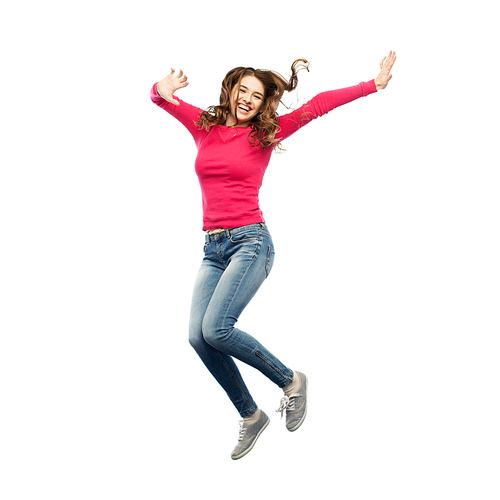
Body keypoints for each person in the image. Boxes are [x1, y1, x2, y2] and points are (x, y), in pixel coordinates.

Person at [150, 51, 397, 460]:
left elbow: (318, 106)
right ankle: (251, 415)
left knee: (217, 329)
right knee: (197, 336)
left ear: (264, 103)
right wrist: (164, 87)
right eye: (242, 90)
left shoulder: (265, 134)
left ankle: (290, 380)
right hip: (213, 249)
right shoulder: (205, 127)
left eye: (256, 95)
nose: (247, 99)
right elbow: (159, 98)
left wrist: (372, 84)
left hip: (251, 242)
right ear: (231, 92)